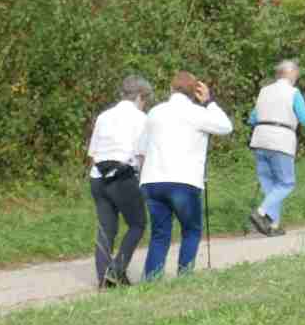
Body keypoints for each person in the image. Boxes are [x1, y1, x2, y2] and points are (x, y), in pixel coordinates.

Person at [136, 70, 233, 280]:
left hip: (153, 179)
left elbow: (141, 149)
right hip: (184, 180)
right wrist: (209, 102)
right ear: (194, 93)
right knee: (191, 230)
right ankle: (184, 275)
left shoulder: (155, 112)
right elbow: (226, 126)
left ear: (171, 88)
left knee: (160, 233)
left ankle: (151, 279)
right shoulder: (197, 113)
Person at [246, 59, 305, 236]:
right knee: (286, 183)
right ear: (291, 74)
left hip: (260, 141)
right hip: (281, 141)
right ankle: (260, 213)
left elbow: (252, 118)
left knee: (270, 185)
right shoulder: (293, 92)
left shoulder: (264, 91)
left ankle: (272, 225)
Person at [85, 75, 152, 288]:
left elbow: (93, 153)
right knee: (137, 224)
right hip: (123, 175)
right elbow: (141, 154)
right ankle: (116, 270)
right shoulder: (141, 118)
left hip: (98, 176)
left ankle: (103, 279)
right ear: (140, 96)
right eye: (145, 100)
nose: (145, 104)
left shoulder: (103, 116)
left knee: (106, 228)